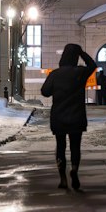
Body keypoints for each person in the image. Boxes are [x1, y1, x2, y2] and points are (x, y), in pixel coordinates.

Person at [40, 43, 96, 190]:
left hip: (58, 116)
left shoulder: (55, 74)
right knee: (75, 146)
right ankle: (75, 169)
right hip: (77, 116)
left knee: (60, 146)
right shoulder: (80, 72)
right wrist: (82, 53)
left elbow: (45, 92)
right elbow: (93, 65)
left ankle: (63, 179)